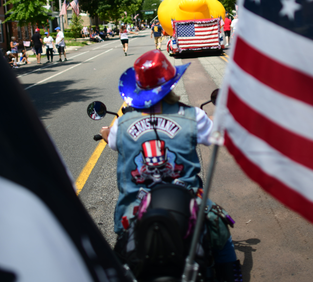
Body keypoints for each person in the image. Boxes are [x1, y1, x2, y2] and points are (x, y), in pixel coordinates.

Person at [99, 50, 242, 281]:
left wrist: (107, 134)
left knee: (122, 248)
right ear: (171, 84)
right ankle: (232, 277)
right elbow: (217, 136)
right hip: (185, 200)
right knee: (221, 233)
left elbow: (113, 142)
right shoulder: (193, 116)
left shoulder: (121, 124)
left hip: (136, 205)